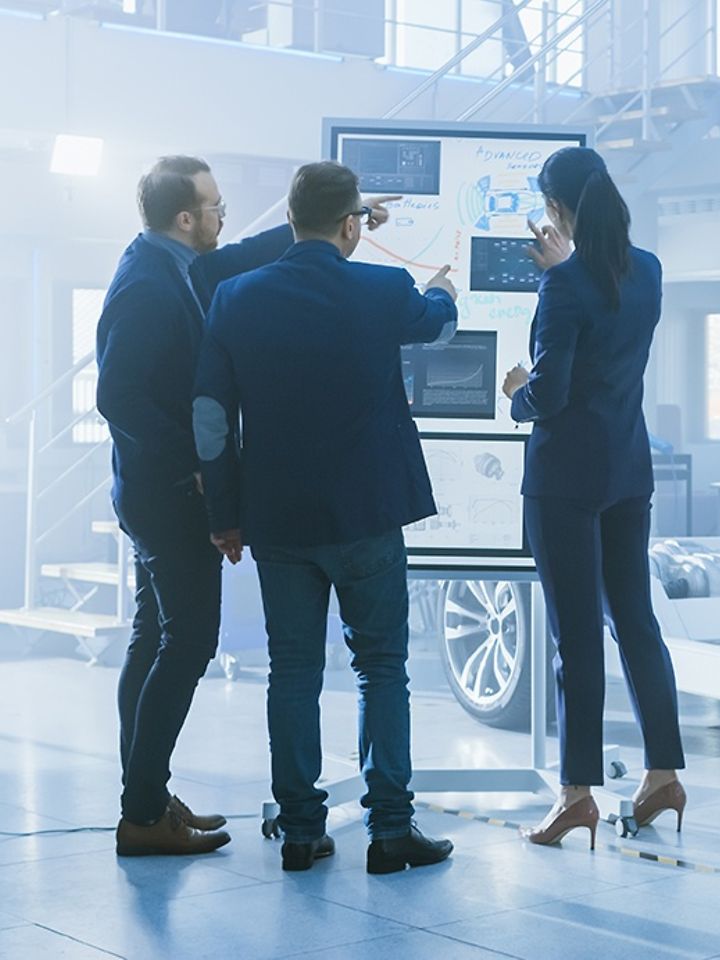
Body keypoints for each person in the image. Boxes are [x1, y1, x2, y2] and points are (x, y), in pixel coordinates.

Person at [192, 161, 457, 874]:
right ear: (352, 226)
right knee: (382, 669)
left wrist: (225, 513)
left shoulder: (235, 298)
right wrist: (442, 292)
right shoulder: (383, 288)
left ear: (288, 218)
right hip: (368, 514)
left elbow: (211, 418)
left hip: (276, 522)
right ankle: (391, 831)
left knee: (293, 673)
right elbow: (434, 325)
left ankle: (304, 831)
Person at [97, 155, 299, 856]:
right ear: (186, 218)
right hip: (166, 496)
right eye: (214, 206)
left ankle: (146, 797)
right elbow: (116, 397)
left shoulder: (170, 262)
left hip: (150, 491)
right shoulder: (149, 285)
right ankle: (143, 814)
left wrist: (312, 223)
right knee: (187, 644)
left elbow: (239, 252)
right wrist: (192, 466)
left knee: (153, 639)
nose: (222, 215)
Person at [503, 147, 686, 848]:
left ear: (555, 211)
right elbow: (608, 323)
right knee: (636, 624)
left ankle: (576, 794)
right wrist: (567, 269)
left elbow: (548, 395)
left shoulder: (565, 286)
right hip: (625, 473)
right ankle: (662, 775)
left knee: (574, 638)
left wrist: (518, 391)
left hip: (565, 482)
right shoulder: (649, 271)